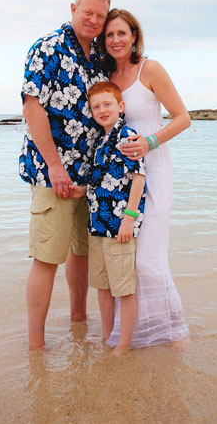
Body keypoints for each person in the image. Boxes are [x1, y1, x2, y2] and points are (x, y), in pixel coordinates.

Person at [20, 0, 110, 351]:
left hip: (90, 177)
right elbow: (32, 107)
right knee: (47, 258)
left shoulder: (99, 57)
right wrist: (56, 167)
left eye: (101, 16)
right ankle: (36, 344)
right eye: (88, 12)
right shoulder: (48, 47)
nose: (94, 20)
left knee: (82, 252)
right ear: (74, 8)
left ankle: (78, 321)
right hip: (52, 175)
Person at [102, 8, 191, 348]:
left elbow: (183, 118)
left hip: (155, 171)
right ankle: (137, 333)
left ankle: (175, 332)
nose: (115, 40)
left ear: (134, 36)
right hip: (119, 181)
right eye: (109, 35)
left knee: (148, 258)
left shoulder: (149, 69)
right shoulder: (107, 75)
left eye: (121, 33)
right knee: (127, 257)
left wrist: (150, 141)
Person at [73, 81, 146, 356]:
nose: (102, 110)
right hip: (97, 226)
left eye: (107, 104)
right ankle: (107, 337)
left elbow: (139, 178)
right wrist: (81, 190)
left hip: (119, 226)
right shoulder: (100, 140)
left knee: (123, 288)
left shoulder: (127, 136)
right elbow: (101, 179)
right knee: (102, 286)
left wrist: (129, 218)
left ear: (120, 106)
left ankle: (124, 344)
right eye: (96, 107)